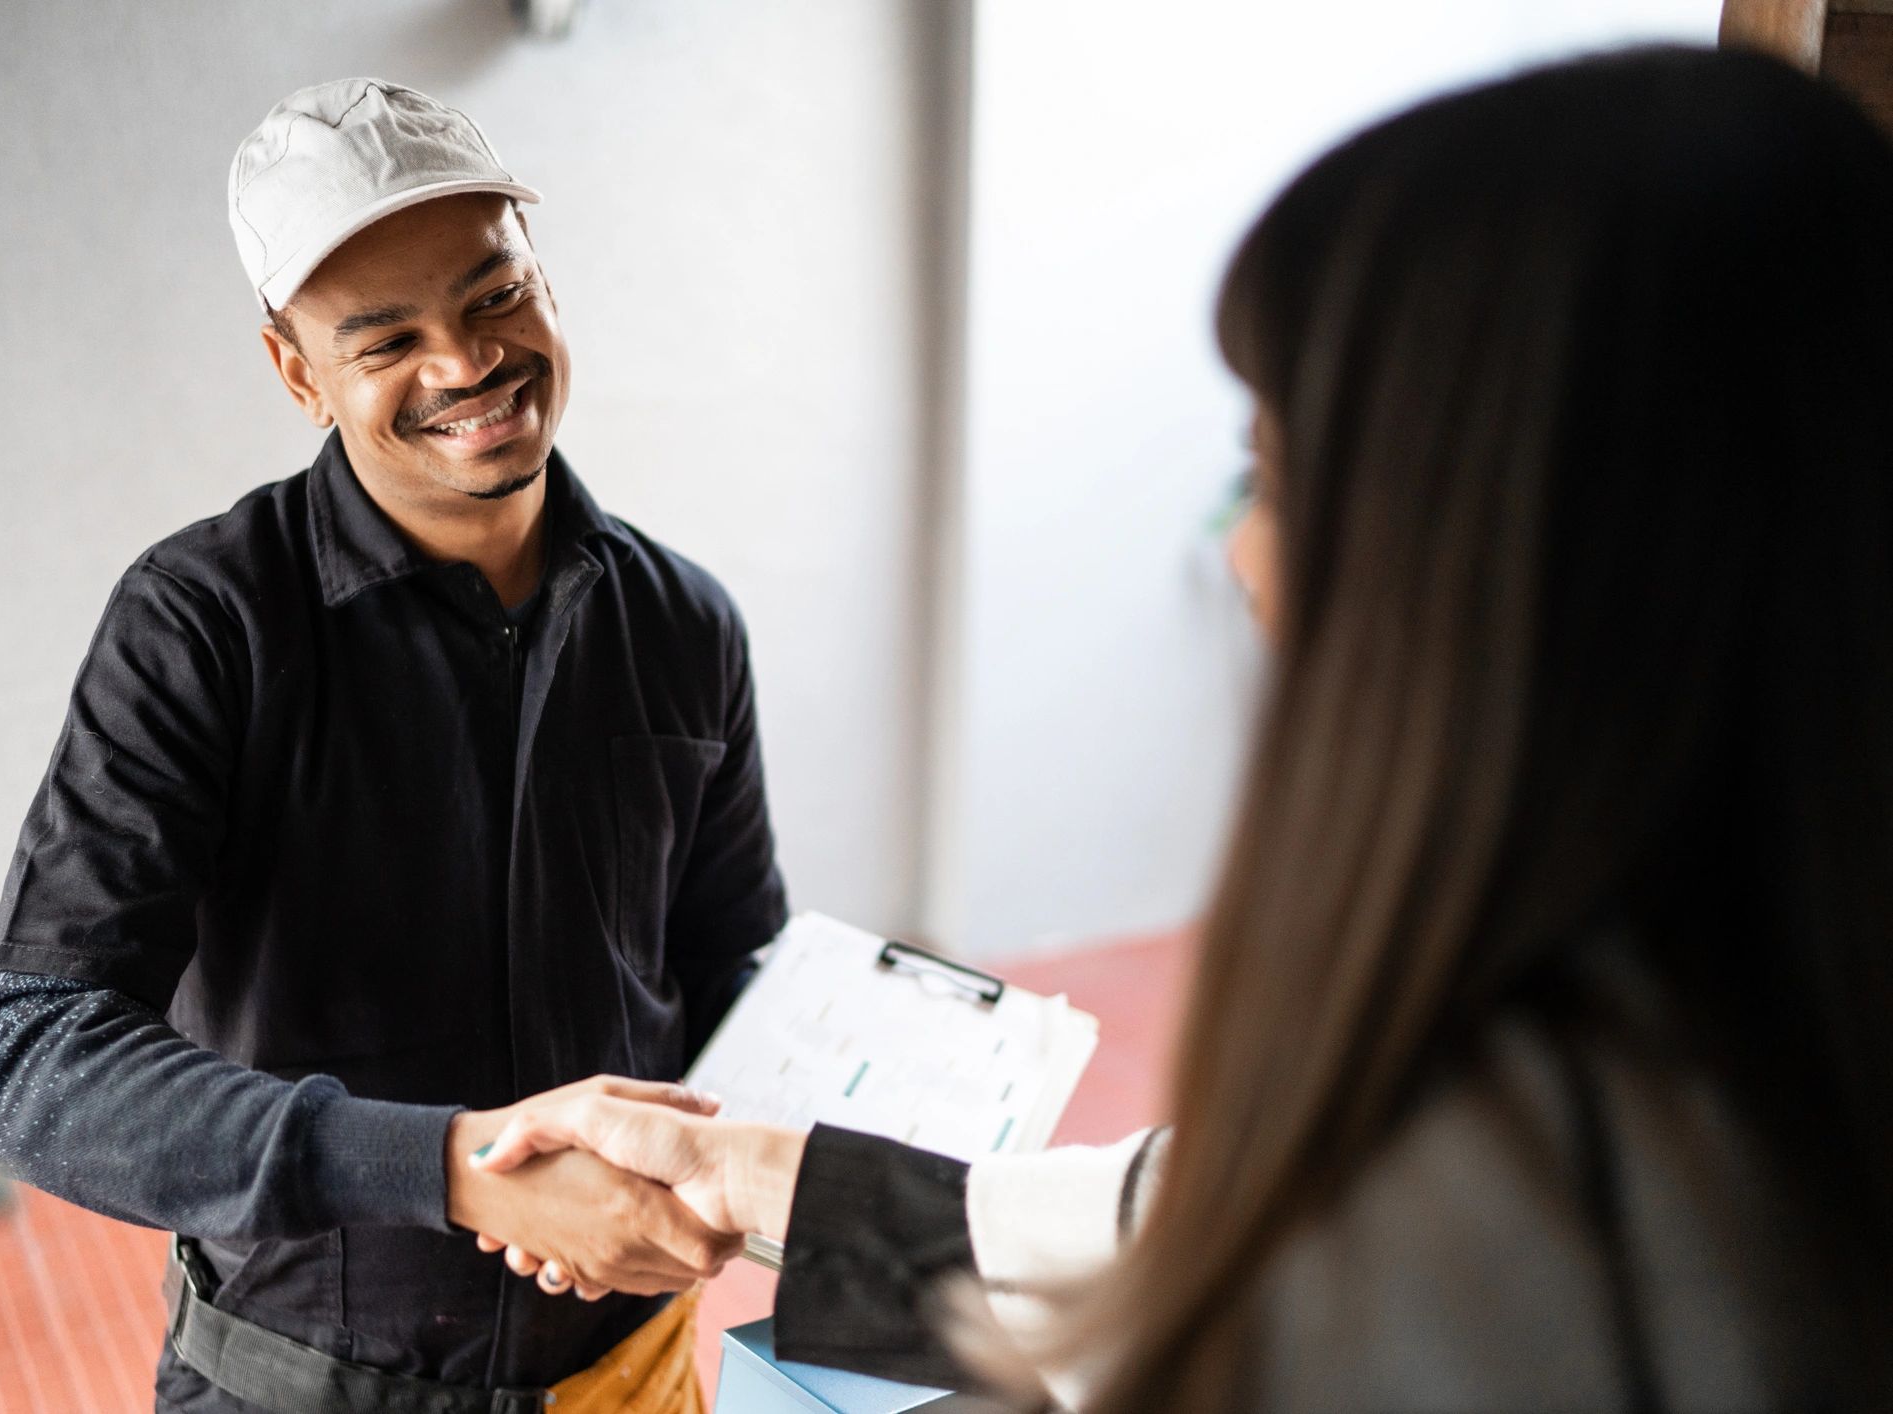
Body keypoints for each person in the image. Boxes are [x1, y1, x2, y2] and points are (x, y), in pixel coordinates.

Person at [469, 46, 1893, 1411]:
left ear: (1493, 565)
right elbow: (1185, 1214)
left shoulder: (1516, 1233)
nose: (1245, 560)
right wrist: (753, 1168)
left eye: (1271, 476)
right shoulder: (1717, 1049)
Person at [0, 78, 787, 1414]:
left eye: (492, 296)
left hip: (627, 1380)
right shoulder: (204, 624)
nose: (464, 364)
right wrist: (454, 1164)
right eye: (386, 336)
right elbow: (33, 1065)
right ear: (297, 372)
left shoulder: (682, 620)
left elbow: (726, 969)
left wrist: (895, 1111)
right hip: (301, 1393)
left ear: (545, 285)